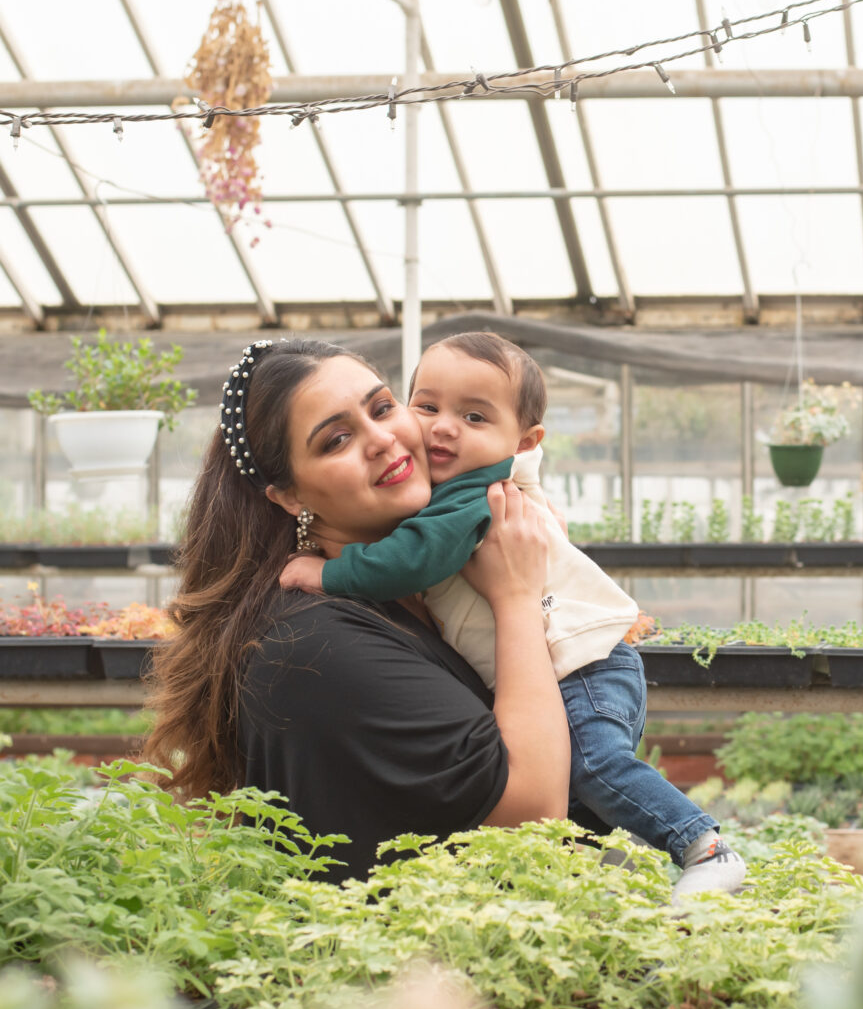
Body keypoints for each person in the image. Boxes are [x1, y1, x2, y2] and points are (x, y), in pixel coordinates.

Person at [278, 332, 745, 900]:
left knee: (595, 767)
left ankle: (703, 846)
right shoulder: (461, 491)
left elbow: (412, 559)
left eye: (474, 417)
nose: (444, 428)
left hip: (582, 668)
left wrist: (326, 574)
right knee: (580, 794)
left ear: (523, 441)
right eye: (427, 406)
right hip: (575, 665)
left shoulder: (473, 495)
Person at [142, 338, 570, 884]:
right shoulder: (317, 643)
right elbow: (534, 816)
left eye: (383, 408)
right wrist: (517, 599)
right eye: (336, 440)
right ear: (290, 497)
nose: (382, 439)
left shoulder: (415, 591)